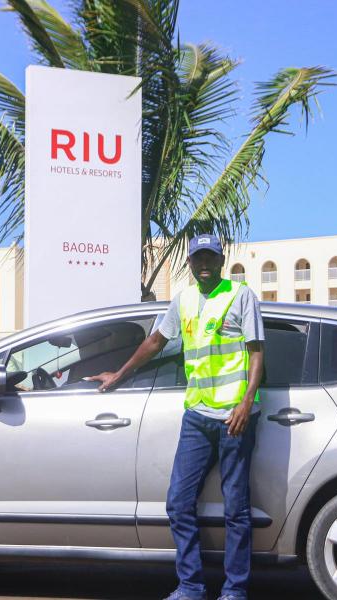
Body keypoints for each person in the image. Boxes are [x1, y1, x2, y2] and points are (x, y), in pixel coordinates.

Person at [88, 234, 264, 600]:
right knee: (178, 503)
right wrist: (119, 375)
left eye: (210, 258)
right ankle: (191, 586)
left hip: (235, 416)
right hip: (197, 415)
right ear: (190, 262)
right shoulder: (182, 300)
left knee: (236, 509)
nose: (204, 265)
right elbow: (155, 342)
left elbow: (256, 351)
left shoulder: (240, 294)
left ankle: (235, 590)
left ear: (221, 260)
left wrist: (246, 402)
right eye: (197, 258)